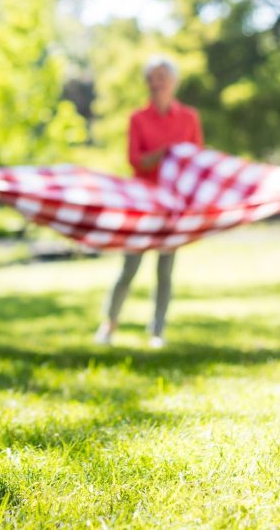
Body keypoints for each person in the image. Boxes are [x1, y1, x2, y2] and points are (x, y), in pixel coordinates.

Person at [94, 55, 203, 349]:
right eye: (151, 79)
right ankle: (109, 324)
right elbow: (135, 160)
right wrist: (164, 153)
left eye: (162, 79)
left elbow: (197, 159)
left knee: (165, 271)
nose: (156, 85)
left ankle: (158, 331)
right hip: (143, 202)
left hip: (174, 204)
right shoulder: (138, 119)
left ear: (173, 82)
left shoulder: (189, 118)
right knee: (129, 267)